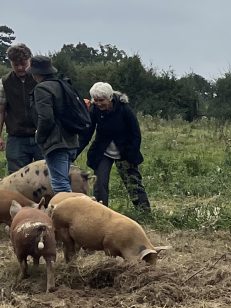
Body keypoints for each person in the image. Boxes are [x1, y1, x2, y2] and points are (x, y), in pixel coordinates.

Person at [84, 82, 151, 212]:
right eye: (95, 100)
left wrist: (132, 153)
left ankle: (144, 211)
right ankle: (101, 211)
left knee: (133, 182)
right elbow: (87, 133)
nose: (98, 103)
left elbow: (135, 133)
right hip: (103, 152)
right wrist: (74, 152)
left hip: (124, 151)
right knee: (100, 183)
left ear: (110, 98)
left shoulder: (124, 109)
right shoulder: (95, 110)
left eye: (101, 100)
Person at [30, 56, 82, 193]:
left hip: (56, 143)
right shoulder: (62, 84)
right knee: (64, 180)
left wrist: (39, 137)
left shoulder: (41, 89)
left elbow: (46, 118)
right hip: (71, 140)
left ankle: (68, 213)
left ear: (36, 73)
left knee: (60, 185)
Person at [2, 43, 42, 173]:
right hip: (16, 137)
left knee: (46, 177)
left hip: (41, 136)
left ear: (30, 60)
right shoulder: (4, 83)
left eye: (23, 64)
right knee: (15, 179)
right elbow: (0, 111)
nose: (20, 68)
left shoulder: (41, 79)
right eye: (15, 65)